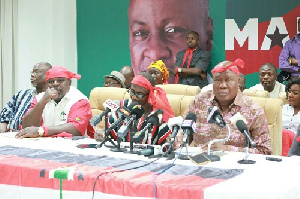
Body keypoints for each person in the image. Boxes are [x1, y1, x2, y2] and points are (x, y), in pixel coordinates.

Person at [175, 59, 271, 154]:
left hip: (235, 166)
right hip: (199, 163)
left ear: (238, 81)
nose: (222, 85)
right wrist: (177, 141)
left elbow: (265, 151)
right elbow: (185, 134)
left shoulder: (253, 110)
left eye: (228, 80)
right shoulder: (199, 101)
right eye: (217, 80)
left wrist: (227, 150)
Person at [128, 0, 212, 84]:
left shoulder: (203, 55)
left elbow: (196, 71)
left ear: (208, 35)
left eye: (173, 30)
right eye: (140, 33)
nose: (155, 55)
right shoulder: (181, 55)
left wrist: (179, 70)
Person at [95, 73, 174, 145]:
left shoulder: (158, 115)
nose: (133, 97)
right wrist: (102, 134)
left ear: (150, 94)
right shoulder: (123, 106)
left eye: (139, 94)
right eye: (132, 91)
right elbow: (108, 131)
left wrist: (171, 141)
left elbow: (167, 142)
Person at [15, 66, 94, 138]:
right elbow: (26, 126)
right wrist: (42, 102)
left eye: (60, 80)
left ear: (69, 82)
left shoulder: (79, 99)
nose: (55, 84)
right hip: (44, 145)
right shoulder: (40, 98)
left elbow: (75, 129)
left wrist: (41, 131)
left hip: (74, 147)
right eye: (51, 81)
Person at [0, 62, 52, 133]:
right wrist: (2, 132)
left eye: (36, 72)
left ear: (48, 75)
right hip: (9, 137)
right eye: (32, 72)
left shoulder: (52, 98)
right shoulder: (22, 94)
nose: (32, 75)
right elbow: (3, 117)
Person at [281, 77, 300, 156]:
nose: (290, 95)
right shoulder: (282, 108)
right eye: (289, 91)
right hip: (279, 143)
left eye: (295, 93)